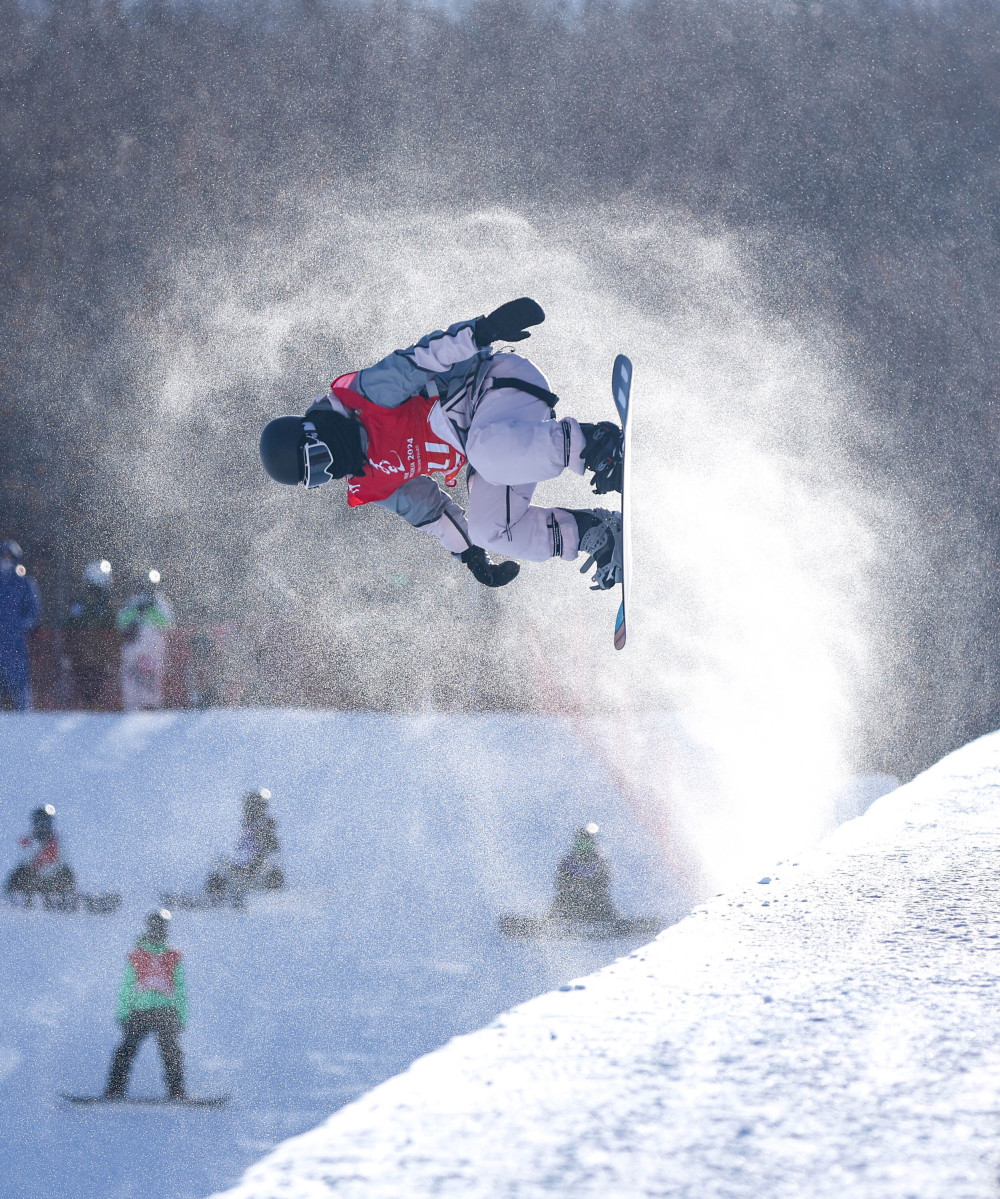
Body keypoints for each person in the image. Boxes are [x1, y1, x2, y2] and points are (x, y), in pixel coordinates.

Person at [258, 299, 625, 590]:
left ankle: (598, 447)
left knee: (484, 452)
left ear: (315, 433)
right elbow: (430, 514)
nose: (332, 471)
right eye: (320, 477)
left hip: (495, 386)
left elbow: (422, 358)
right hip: (491, 450)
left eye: (320, 459)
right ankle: (597, 532)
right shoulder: (368, 480)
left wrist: (483, 330)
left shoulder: (367, 397)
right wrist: (471, 554)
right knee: (488, 530)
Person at [104, 910, 187, 1100]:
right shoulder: (137, 956)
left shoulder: (173, 956)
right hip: (140, 1011)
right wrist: (123, 1013)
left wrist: (181, 1016)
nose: (159, 931)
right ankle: (115, 1089)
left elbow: (181, 989)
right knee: (125, 1050)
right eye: (155, 927)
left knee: (172, 1051)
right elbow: (127, 987)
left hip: (166, 1012)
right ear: (149, 929)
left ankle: (177, 1090)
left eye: (162, 927)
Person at [205, 789, 283, 902]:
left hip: (256, 877)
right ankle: (216, 897)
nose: (247, 810)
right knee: (218, 861)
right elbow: (238, 856)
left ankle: (272, 898)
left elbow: (268, 852)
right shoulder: (246, 829)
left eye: (251, 807)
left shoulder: (265, 828)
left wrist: (251, 867)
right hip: (241, 875)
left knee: (272, 861)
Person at [65, 560, 118, 709]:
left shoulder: (105, 607)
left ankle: (94, 708)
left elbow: (112, 631)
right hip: (83, 660)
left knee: (96, 691)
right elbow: (70, 628)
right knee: (87, 691)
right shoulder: (80, 605)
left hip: (98, 660)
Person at [116, 577, 174, 711]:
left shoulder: (160, 602)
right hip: (133, 645)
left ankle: (152, 704)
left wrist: (151, 609)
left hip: (154, 645)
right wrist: (136, 612)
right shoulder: (133, 602)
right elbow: (120, 621)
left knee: (153, 674)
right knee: (131, 673)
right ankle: (131, 705)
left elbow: (168, 622)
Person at [4, 804, 76, 906]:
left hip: (52, 880)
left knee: (65, 872)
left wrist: (48, 871)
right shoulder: (29, 841)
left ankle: (65, 897)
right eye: (40, 822)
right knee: (19, 872)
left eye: (45, 822)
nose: (42, 825)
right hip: (33, 880)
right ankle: (16, 896)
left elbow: (62, 862)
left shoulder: (58, 841)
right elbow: (24, 862)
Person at [0, 540, 41, 711]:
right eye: (4, 556)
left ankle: (24, 716)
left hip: (16, 643)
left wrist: (23, 626)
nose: (6, 560)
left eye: (10, 557)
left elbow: (34, 610)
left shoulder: (24, 583)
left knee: (18, 681)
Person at [549, 823, 618, 923]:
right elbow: (560, 882)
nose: (583, 846)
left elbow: (604, 882)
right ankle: (552, 923)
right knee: (561, 901)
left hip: (594, 899)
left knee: (602, 902)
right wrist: (573, 887)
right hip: (570, 898)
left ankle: (612, 923)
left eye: (587, 843)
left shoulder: (599, 861)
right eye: (580, 843)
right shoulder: (568, 861)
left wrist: (591, 887)